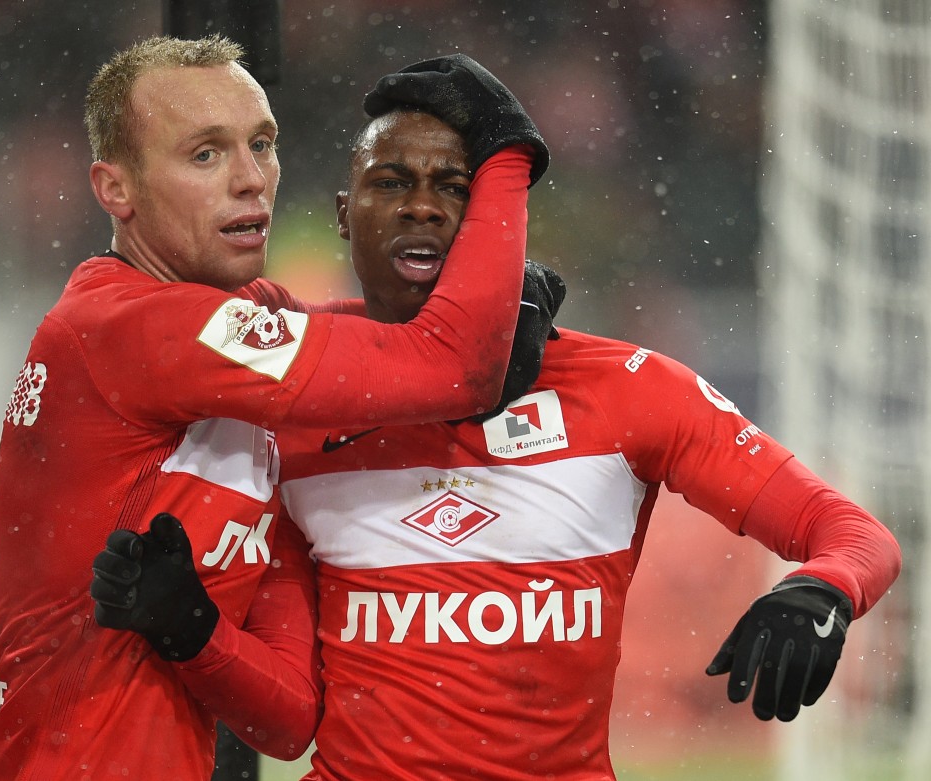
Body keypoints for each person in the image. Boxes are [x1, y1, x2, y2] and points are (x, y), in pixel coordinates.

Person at [265, 60, 904, 780]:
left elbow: (854, 534)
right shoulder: (284, 399)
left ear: (494, 223)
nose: (423, 207)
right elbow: (278, 713)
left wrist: (824, 586)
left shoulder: (629, 389)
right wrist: (192, 633)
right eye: (391, 182)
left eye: (454, 187)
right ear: (345, 212)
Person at [0, 38, 550, 780]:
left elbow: (289, 717)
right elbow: (454, 366)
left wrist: (195, 633)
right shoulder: (130, 327)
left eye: (261, 144)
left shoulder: (242, 345)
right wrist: (507, 152)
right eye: (205, 155)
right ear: (116, 189)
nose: (251, 180)